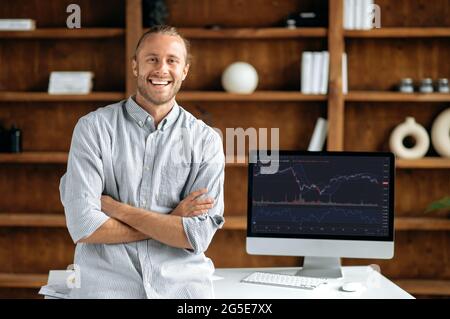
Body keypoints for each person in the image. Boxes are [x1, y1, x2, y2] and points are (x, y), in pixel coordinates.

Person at [59, 25, 225, 298]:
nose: (161, 69)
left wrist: (116, 209)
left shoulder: (206, 140)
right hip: (106, 288)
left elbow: (196, 236)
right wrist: (170, 221)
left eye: (172, 60)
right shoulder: (93, 128)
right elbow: (84, 225)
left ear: (184, 70)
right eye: (152, 59)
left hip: (181, 290)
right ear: (135, 66)